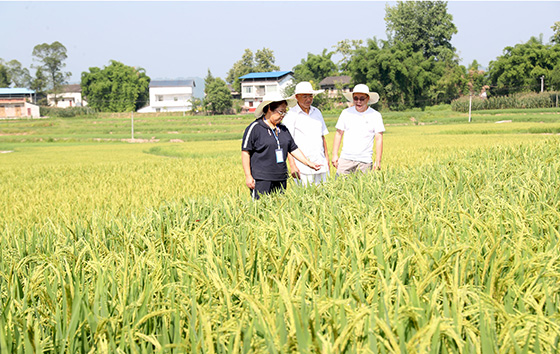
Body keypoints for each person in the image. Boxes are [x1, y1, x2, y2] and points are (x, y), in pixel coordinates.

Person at [241, 92, 322, 200]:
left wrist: (309, 163)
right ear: (269, 109)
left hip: (280, 177)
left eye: (285, 112)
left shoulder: (283, 129)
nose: (283, 115)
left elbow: (293, 148)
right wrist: (248, 176)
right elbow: (245, 152)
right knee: (260, 209)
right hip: (261, 179)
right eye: (280, 112)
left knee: (279, 209)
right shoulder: (255, 128)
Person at [331, 84, 385, 175]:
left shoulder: (375, 115)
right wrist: (334, 155)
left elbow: (379, 138)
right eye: (356, 98)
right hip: (345, 159)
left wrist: (378, 160)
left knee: (363, 188)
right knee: (340, 186)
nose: (358, 101)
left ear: (368, 99)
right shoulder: (346, 113)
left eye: (362, 99)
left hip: (365, 161)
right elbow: (338, 134)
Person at [283, 82, 330, 186]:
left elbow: (322, 137)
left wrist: (327, 160)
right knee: (305, 196)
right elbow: (287, 142)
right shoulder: (291, 115)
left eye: (310, 96)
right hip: (302, 167)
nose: (308, 99)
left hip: (320, 163)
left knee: (324, 196)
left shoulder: (317, 112)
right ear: (297, 97)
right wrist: (292, 165)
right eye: (304, 97)